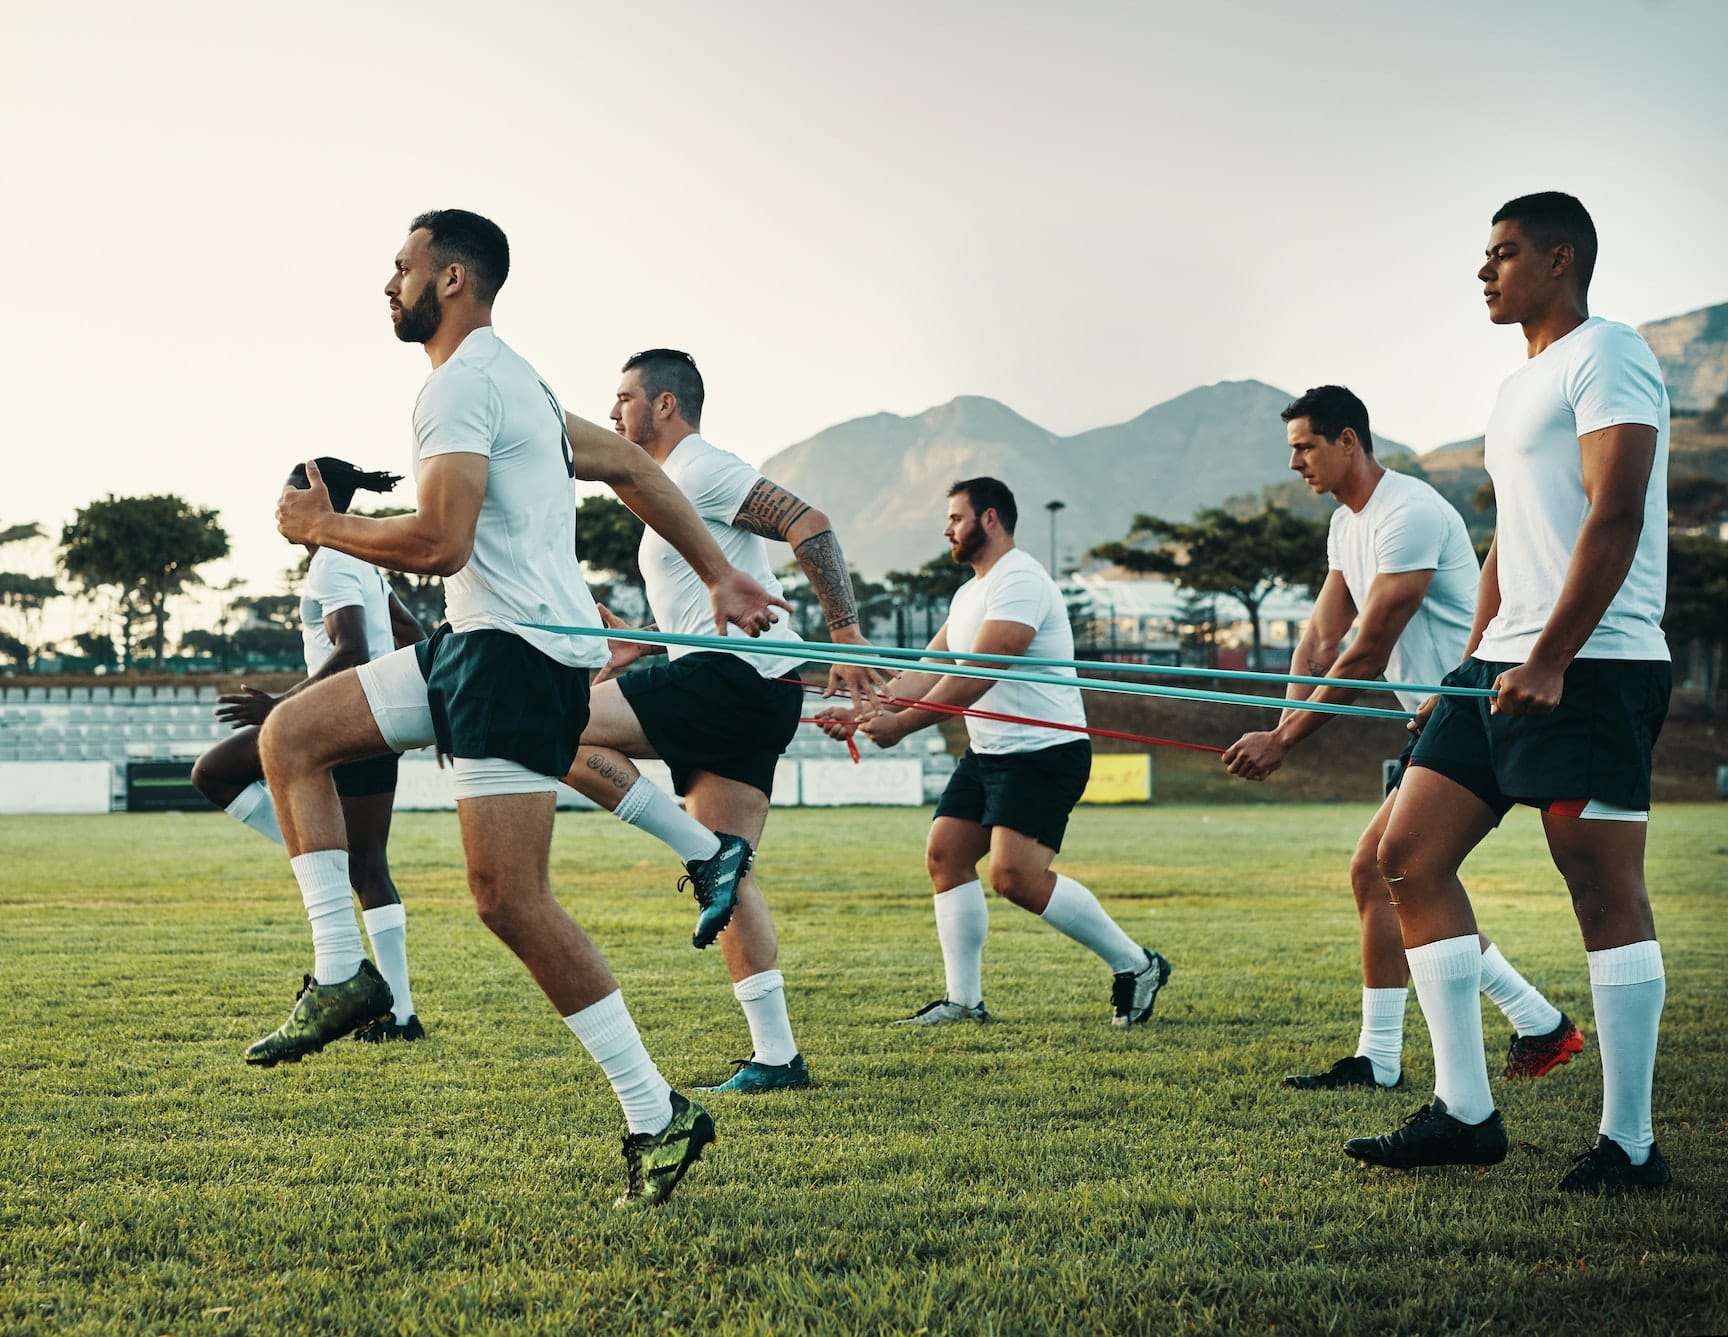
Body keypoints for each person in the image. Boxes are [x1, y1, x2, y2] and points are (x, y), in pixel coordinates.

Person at [266, 209, 785, 1207]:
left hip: (511, 656)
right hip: (481, 644)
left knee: (509, 898)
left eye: (402, 266)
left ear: (452, 278)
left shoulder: (461, 386)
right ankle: (344, 970)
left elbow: (438, 543)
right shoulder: (521, 381)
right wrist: (718, 572)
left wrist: (319, 524)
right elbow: (633, 468)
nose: (389, 283)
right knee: (292, 734)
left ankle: (655, 1110)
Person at [1343, 192, 1674, 1194]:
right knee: (1405, 854)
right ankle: (1463, 1110)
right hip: (1497, 664)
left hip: (1596, 663)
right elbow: (1506, 539)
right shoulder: (1514, 385)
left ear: (1558, 258)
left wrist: (1551, 655)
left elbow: (1613, 514)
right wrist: (1483, 653)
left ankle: (1628, 1140)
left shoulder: (1606, 353)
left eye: (1500, 254)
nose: (1483, 273)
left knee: (1596, 883)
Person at [1221, 388, 1580, 1090]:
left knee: (1390, 869)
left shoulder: (1407, 513)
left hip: (1474, 714)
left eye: (1305, 446)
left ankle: (1413, 1054)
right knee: (1390, 874)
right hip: (1434, 718)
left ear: (1349, 441)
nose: (1294, 461)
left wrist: (1286, 740)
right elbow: (1322, 639)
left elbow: (1367, 645)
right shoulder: (1347, 525)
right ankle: (1524, 1026)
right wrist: (1282, 725)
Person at [561, 348, 881, 1093]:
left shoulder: (701, 468)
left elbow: (810, 522)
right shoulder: (673, 486)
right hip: (756, 687)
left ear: (666, 405)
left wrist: (846, 631)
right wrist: (647, 636)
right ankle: (777, 1057)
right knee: (729, 872)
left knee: (544, 723)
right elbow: (707, 594)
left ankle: (703, 853)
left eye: (625, 398)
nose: (613, 414)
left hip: (734, 680)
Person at [818, 477, 1172, 1028]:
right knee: (946, 856)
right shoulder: (968, 595)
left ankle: (1137, 965)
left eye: (955, 518)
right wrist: (861, 709)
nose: (946, 529)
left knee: (1015, 878)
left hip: (1044, 751)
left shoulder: (1021, 580)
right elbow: (929, 670)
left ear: (989, 519)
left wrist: (905, 724)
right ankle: (964, 1002)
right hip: (989, 752)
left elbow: (982, 672)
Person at [192, 458, 429, 1052]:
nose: (279, 513)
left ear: (316, 501)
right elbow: (411, 635)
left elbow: (350, 649)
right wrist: (442, 703)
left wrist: (281, 707)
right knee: (368, 869)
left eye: (286, 500)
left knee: (213, 773)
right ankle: (400, 1015)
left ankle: (320, 854)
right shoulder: (362, 557)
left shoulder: (331, 562)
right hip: (381, 720)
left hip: (345, 720)